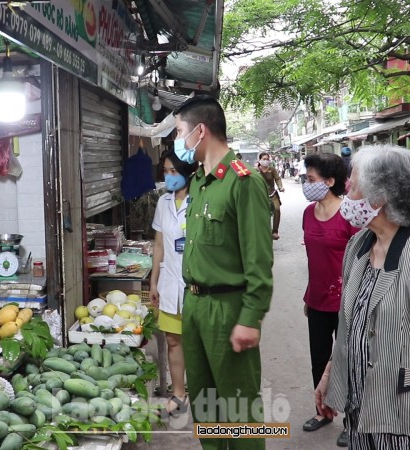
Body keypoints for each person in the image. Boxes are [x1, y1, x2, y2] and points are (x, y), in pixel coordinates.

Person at [315, 144, 410, 449]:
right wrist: (330, 375)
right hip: (360, 413)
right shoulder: (358, 246)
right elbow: (350, 325)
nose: (346, 191)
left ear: (381, 197)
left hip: (409, 421)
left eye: (353, 184)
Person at [173, 95, 273, 450]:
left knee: (238, 407)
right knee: (205, 404)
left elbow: (259, 261)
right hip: (195, 307)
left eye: (180, 132)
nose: (178, 142)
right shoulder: (200, 182)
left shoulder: (242, 182)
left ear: (200, 131)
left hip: (227, 309)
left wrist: (251, 317)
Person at [300, 153, 358, 447]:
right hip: (318, 298)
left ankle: (353, 419)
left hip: (348, 302)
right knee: (318, 360)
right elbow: (313, 258)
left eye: (311, 179)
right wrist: (309, 295)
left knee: (349, 362)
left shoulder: (350, 214)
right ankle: (323, 411)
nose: (306, 184)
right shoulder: (308, 213)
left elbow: (365, 261)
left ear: (330, 181)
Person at [149, 149, 198, 417]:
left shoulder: (200, 200)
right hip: (169, 281)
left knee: (197, 342)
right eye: (166, 172)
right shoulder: (163, 202)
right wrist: (153, 282)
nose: (169, 177)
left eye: (174, 171)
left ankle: (202, 393)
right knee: (173, 341)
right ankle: (179, 395)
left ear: (187, 173)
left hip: (196, 282)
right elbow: (159, 245)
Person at [256, 152, 285, 240]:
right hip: (260, 194)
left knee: (277, 209)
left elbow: (277, 178)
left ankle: (275, 231)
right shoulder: (255, 170)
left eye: (267, 159)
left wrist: (280, 187)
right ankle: (262, 230)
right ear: (260, 160)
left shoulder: (272, 169)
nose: (265, 161)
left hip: (272, 193)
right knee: (260, 212)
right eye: (263, 159)